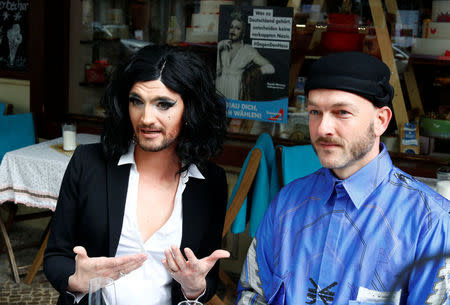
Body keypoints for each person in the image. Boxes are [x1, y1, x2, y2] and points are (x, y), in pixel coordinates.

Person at [236, 52, 450, 304]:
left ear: (380, 121)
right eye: (315, 111)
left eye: (342, 112)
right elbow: (253, 294)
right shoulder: (287, 203)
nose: (323, 128)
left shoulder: (429, 221)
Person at [44, 45, 230, 305]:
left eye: (163, 104)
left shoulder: (210, 183)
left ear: (191, 110)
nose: (146, 118)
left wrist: (195, 288)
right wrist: (76, 281)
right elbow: (55, 256)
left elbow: (207, 279)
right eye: (137, 101)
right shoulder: (88, 164)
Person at [216, 9, 275, 100]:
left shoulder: (248, 50)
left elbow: (271, 68)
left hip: (236, 91)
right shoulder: (221, 45)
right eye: (231, 27)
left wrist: (253, 73)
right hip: (220, 88)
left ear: (243, 33)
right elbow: (217, 72)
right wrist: (219, 49)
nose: (233, 30)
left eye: (237, 28)